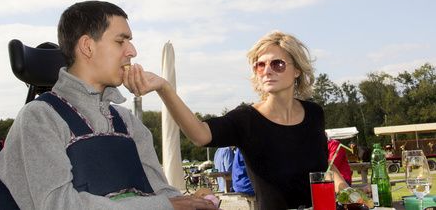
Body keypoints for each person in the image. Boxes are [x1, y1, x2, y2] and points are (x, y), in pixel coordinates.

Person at [0, 1, 217, 210]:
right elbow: (60, 205)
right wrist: (165, 205)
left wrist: (190, 202)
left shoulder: (127, 122)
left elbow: (159, 192)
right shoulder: (39, 118)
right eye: (121, 41)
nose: (132, 51)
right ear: (87, 47)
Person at [123, 31, 349, 209]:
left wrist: (344, 187)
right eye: (261, 65)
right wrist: (165, 88)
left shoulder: (314, 113)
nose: (267, 71)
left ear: (297, 70)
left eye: (277, 64)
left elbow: (322, 167)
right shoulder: (246, 119)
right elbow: (200, 135)